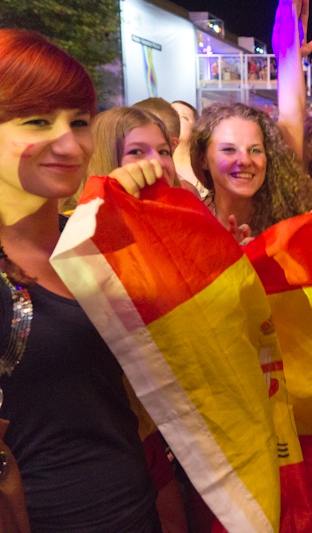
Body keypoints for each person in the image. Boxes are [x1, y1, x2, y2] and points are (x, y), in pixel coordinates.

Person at [0, 29, 160, 532]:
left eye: (80, 121)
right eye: (38, 121)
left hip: (136, 507)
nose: (69, 144)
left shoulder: (100, 243)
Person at [189, 102, 312, 240]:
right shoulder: (190, 224)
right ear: (203, 160)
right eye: (229, 150)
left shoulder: (292, 224)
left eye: (255, 150)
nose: (245, 160)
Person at [88, 106, 178, 188]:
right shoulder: (87, 206)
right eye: (137, 152)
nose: (160, 162)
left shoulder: (187, 203)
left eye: (163, 152)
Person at [171, 100, 208, 197]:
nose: (175, 120)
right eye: (172, 115)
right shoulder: (159, 166)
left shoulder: (206, 168)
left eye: (184, 117)